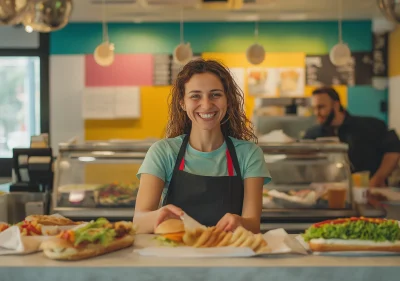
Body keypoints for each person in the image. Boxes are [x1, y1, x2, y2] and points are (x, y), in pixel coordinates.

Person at [133, 59, 271, 234]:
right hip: (175, 254)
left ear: (228, 100)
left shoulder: (249, 154)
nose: (206, 104)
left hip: (229, 255)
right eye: (195, 96)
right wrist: (160, 215)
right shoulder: (163, 152)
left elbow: (253, 225)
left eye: (215, 94)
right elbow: (138, 222)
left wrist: (240, 222)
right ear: (182, 103)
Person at [303, 86, 400, 187]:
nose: (316, 113)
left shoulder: (371, 126)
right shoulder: (312, 134)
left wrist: (378, 178)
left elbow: (393, 150)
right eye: (314, 108)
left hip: (368, 193)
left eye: (321, 107)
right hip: (327, 194)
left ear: (336, 105)